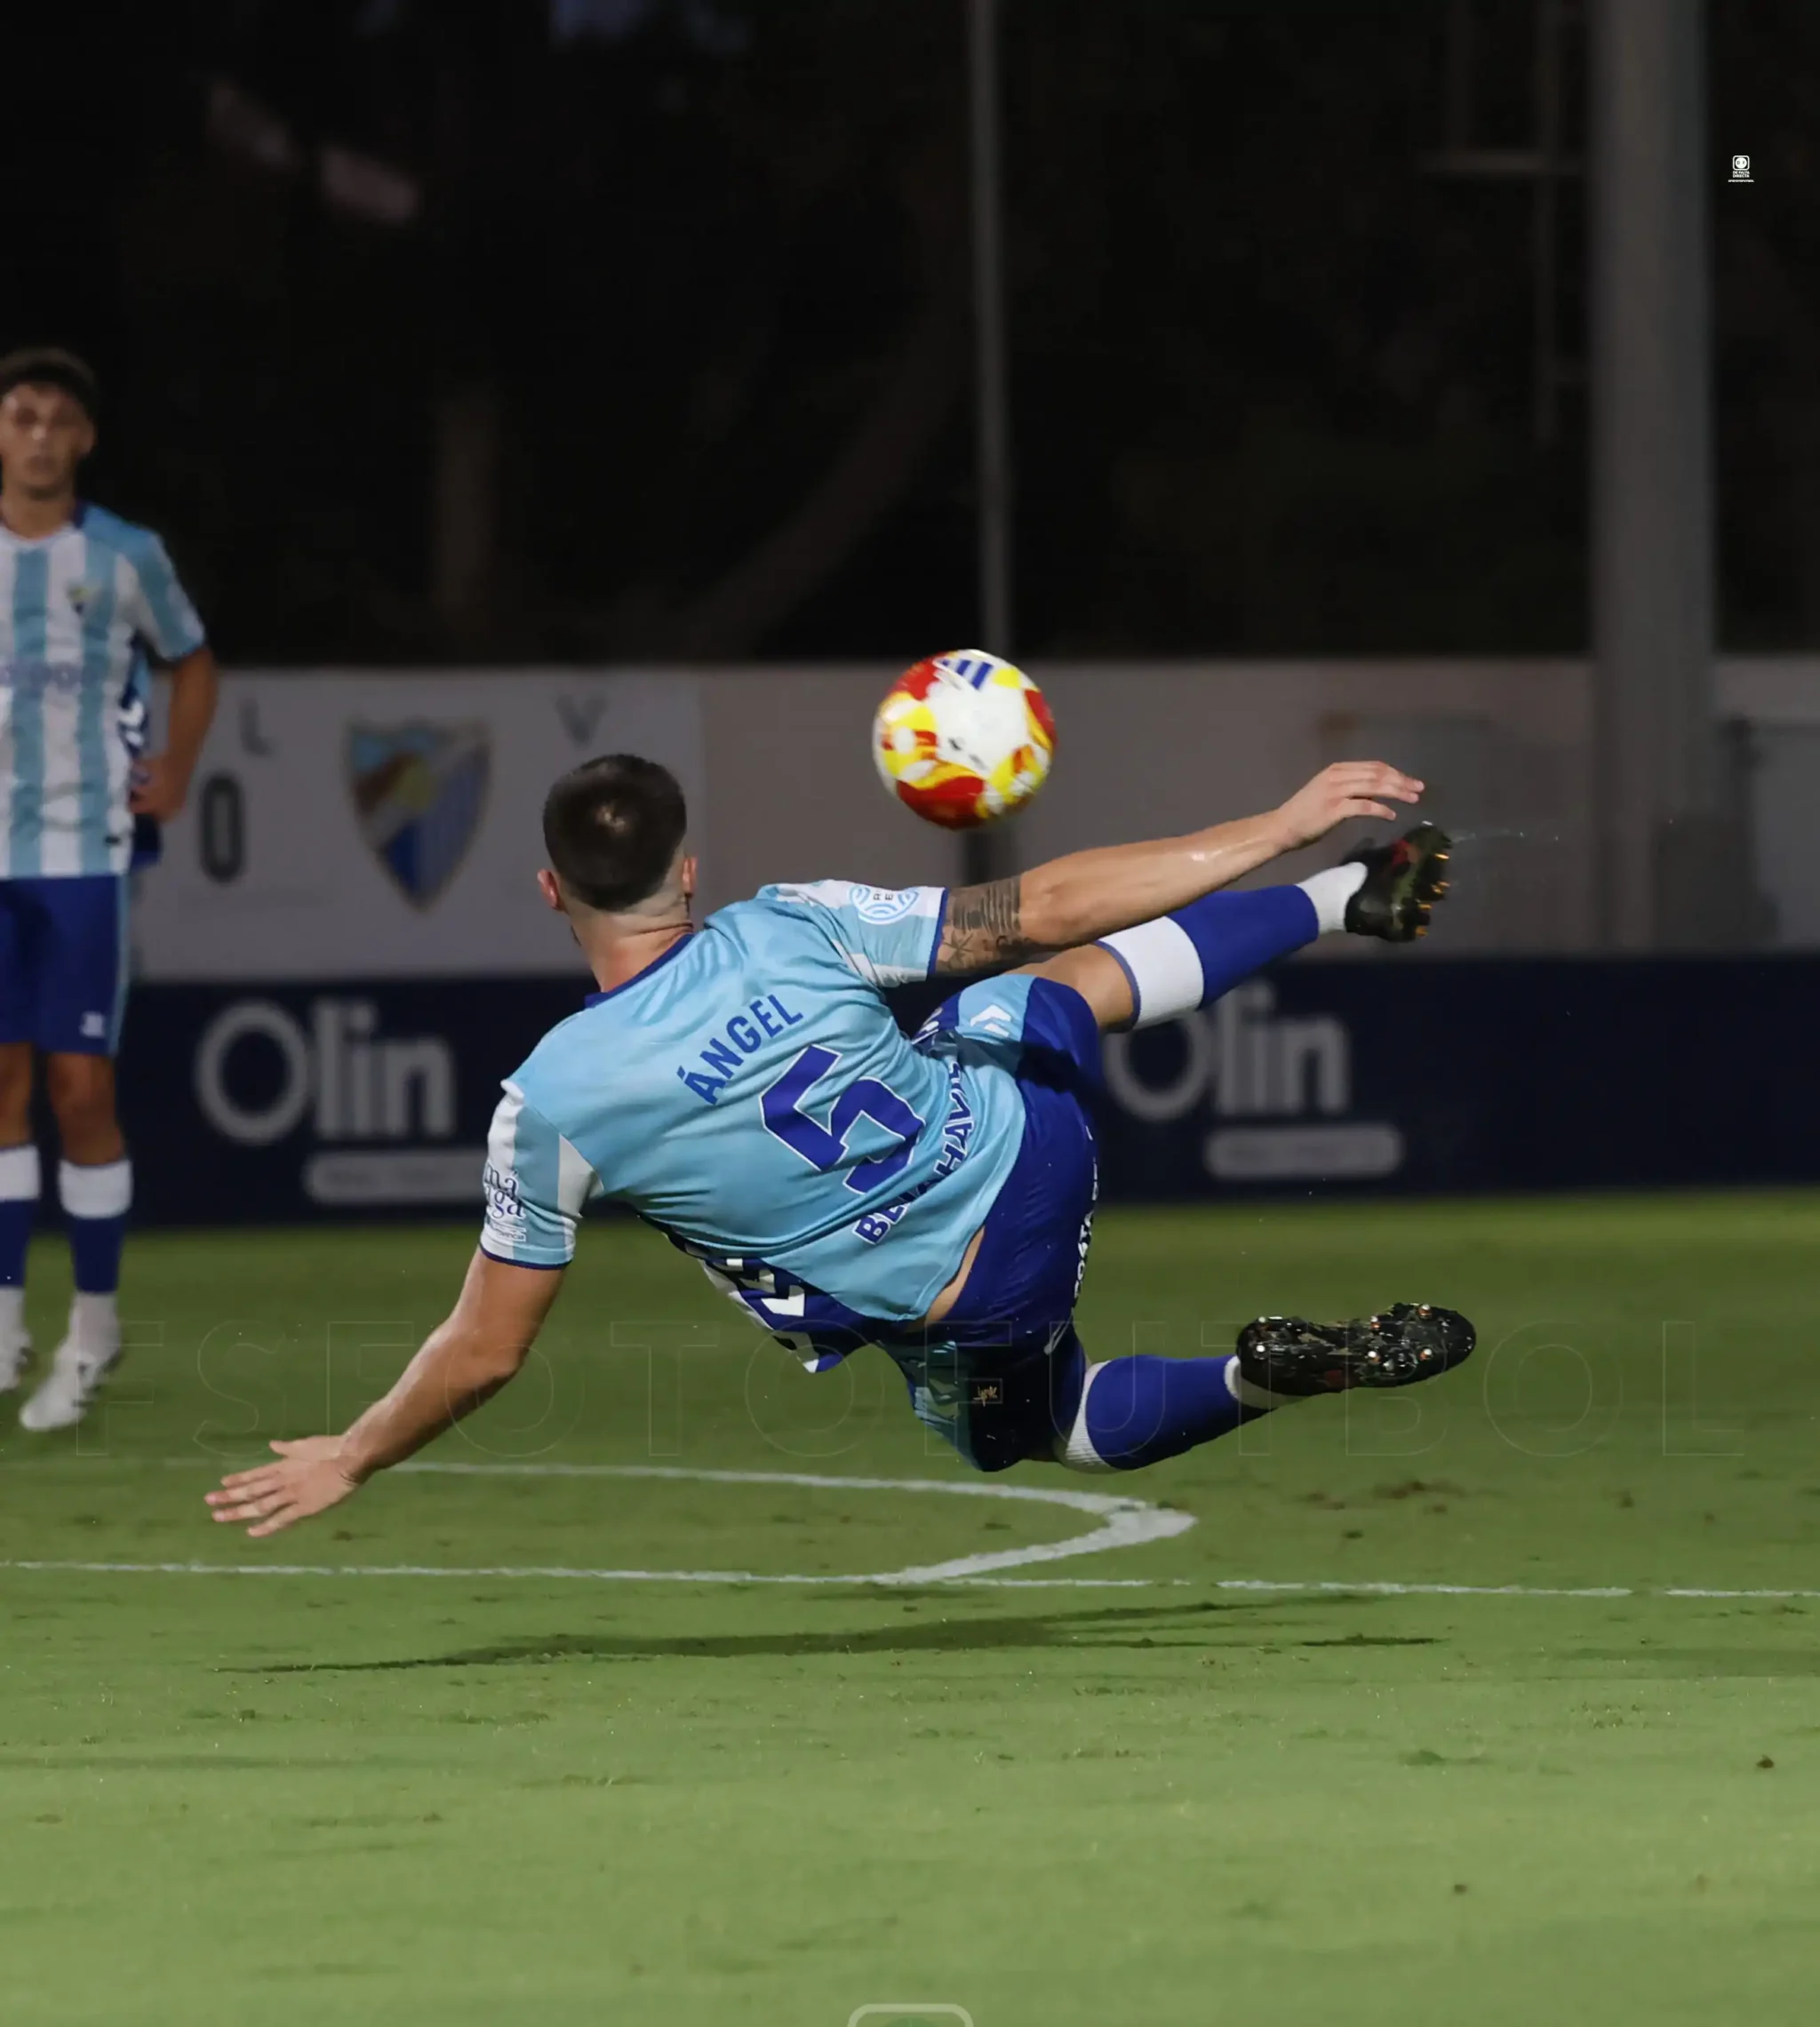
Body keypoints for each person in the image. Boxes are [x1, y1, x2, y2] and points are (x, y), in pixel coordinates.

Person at [208, 750, 1474, 1536]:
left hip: (973, 1299)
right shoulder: (794, 923)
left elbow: (487, 1349)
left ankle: (1260, 1380)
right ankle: (1339, 897)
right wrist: (1277, 828)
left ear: (552, 891)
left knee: (1054, 1426)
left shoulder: (551, 1104)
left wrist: (355, 1455)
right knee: (1040, 988)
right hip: (1033, 1147)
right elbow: (1043, 905)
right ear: (687, 871)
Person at [0, 346, 219, 1430]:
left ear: (82, 440)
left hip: (83, 851)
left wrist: (174, 766)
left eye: (57, 420)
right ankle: (4, 1321)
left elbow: (193, 658)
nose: (38, 435)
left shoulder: (125, 555)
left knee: (79, 1088)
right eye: (21, 416)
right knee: (0, 1085)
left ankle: (92, 1326)